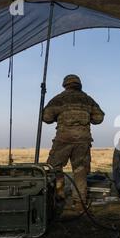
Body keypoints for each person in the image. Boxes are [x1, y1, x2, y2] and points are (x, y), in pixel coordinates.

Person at [43, 74, 104, 207]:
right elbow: (99, 118)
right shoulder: (87, 100)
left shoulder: (58, 99)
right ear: (79, 84)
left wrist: (58, 116)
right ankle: (79, 202)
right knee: (80, 170)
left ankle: (59, 195)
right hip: (83, 140)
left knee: (54, 167)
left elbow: (46, 117)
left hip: (63, 139)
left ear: (65, 84)